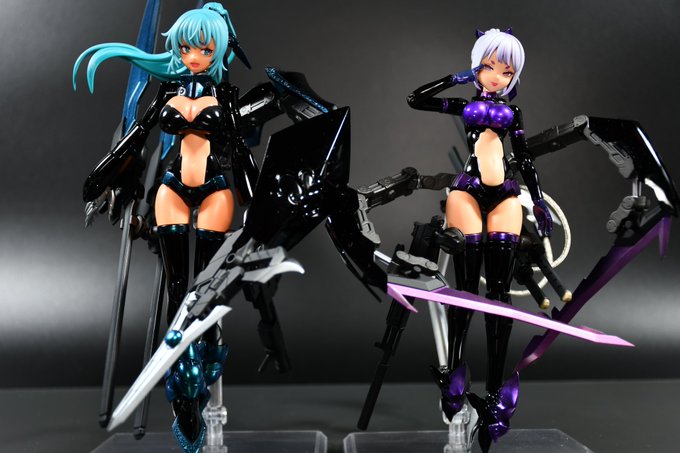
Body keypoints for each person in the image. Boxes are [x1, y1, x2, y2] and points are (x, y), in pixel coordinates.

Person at [407, 27, 552, 447]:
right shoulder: (464, 104)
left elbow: (524, 157)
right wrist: (455, 77)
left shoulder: (514, 113)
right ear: (477, 67)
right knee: (466, 290)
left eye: (506, 72)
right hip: (467, 192)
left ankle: (492, 392)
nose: (496, 76)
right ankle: (454, 373)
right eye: (488, 67)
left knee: (499, 296)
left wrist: (538, 200)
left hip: (504, 194)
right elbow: (416, 99)